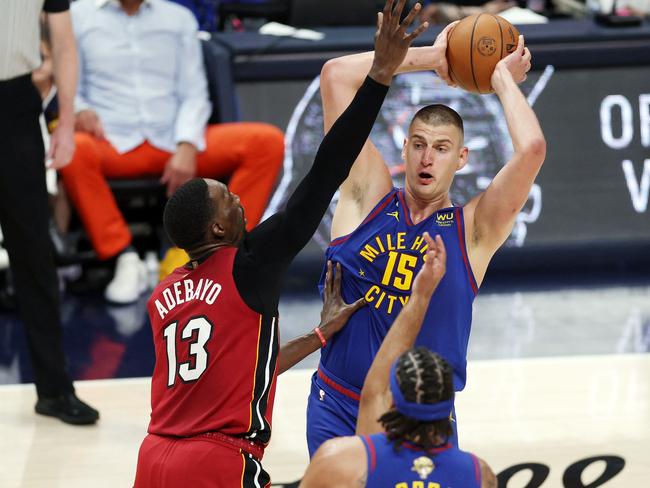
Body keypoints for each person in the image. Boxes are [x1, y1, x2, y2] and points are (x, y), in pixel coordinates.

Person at [133, 2, 429, 486]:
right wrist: (380, 73)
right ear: (218, 231)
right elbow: (325, 173)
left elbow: (235, 368)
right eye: (228, 198)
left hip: (154, 458)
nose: (239, 200)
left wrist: (318, 336)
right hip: (217, 459)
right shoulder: (248, 264)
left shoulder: (163, 295)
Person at [306, 12, 545, 455]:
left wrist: (500, 81)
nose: (426, 159)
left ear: (462, 159)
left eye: (440, 148)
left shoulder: (473, 230)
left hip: (420, 418)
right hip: (338, 403)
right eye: (418, 144)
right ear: (404, 148)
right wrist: (437, 57)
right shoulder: (367, 196)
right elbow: (336, 76)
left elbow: (531, 149)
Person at [63, 0, 284, 304]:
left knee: (266, 143)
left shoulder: (178, 18)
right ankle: (123, 257)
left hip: (174, 139)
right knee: (71, 148)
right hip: (112, 140)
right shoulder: (77, 16)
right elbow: (67, 84)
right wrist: (79, 109)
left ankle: (221, 255)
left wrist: (186, 143)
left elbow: (194, 92)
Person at [301, 232, 496, 487]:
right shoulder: (478, 475)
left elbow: (374, 389)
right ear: (449, 405)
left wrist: (421, 295)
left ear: (391, 400)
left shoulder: (345, 462)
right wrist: (423, 295)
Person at [0, 0, 99, 424]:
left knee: (33, 252)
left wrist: (66, 123)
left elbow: (63, 43)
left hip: (15, 104)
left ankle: (55, 389)